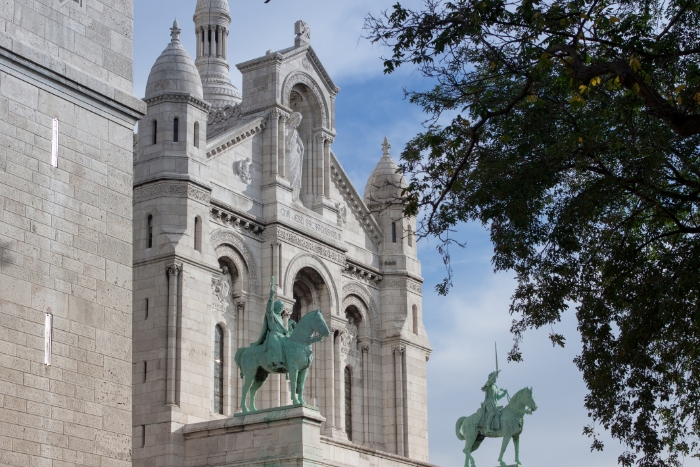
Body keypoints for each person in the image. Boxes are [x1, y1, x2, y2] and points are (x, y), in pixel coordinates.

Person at [250, 277, 289, 371]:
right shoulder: (272, 315)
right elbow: (269, 309)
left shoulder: (280, 317)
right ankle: (277, 363)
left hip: (281, 335)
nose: (281, 309)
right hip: (273, 335)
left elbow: (284, 329)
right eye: (280, 307)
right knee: (277, 344)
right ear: (276, 307)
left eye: (282, 308)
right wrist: (271, 298)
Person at [285, 112, 304, 201]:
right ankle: (288, 189)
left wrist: (301, 147)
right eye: (298, 120)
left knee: (296, 173)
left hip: (296, 155)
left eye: (300, 121)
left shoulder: (296, 132)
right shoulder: (287, 128)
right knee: (288, 171)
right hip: (289, 153)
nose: (298, 122)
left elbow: (300, 143)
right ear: (293, 119)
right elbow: (284, 139)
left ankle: (294, 195)